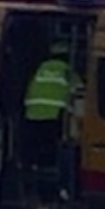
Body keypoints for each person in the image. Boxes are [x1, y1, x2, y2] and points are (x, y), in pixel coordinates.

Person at [23, 41, 81, 177]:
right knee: (54, 153)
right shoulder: (66, 70)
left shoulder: (40, 68)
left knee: (37, 151)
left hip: (32, 115)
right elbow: (80, 91)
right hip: (54, 116)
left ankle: (36, 171)